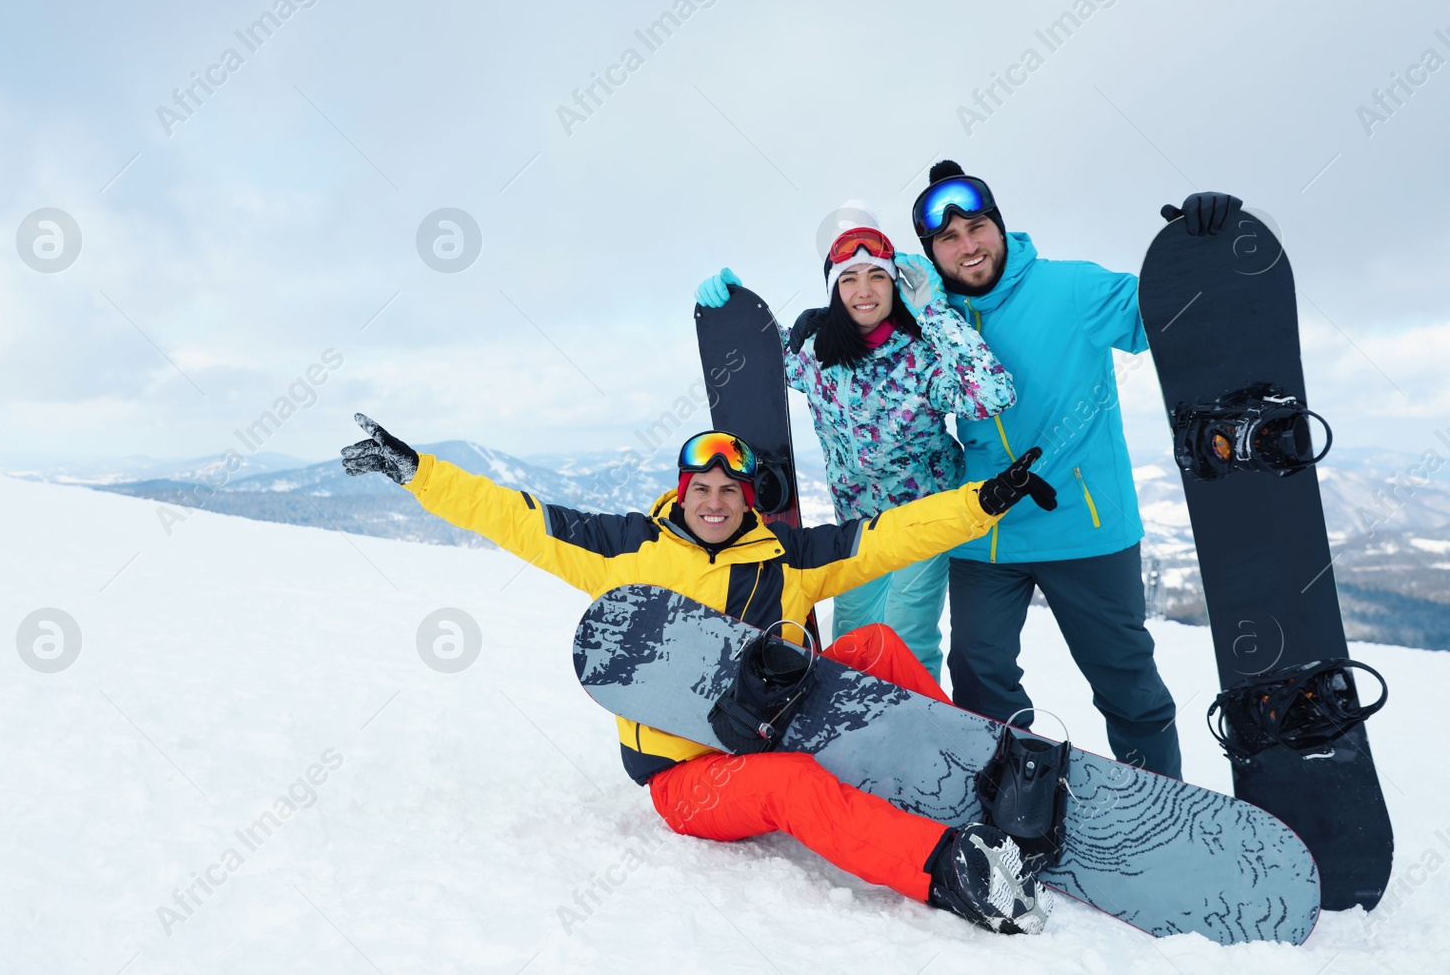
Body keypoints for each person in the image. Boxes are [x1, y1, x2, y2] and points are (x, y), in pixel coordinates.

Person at [342, 418, 1057, 933]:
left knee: (871, 641)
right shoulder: (622, 548)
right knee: (792, 785)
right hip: (690, 781)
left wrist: (981, 502)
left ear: (749, 497)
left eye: (729, 489)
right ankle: (951, 871)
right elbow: (515, 517)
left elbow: (890, 535)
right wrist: (418, 472)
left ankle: (980, 767)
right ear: (682, 490)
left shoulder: (787, 556)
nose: (714, 501)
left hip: (780, 724)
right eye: (702, 486)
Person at [900, 159, 1241, 780]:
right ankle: (1009, 801)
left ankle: (1158, 805)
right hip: (986, 533)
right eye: (947, 239)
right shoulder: (929, 317)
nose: (967, 247)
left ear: (1000, 228)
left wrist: (1209, 244)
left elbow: (1170, 314)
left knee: (1125, 681)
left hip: (1085, 529)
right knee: (979, 678)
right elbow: (859, 328)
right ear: (932, 254)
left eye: (976, 228)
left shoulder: (1072, 289)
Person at [694, 217, 1015, 682]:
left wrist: (933, 312)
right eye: (849, 279)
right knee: (850, 643)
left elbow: (993, 394)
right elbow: (761, 356)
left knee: (905, 641)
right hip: (856, 530)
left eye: (877, 276)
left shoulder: (920, 356)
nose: (864, 290)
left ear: (895, 286)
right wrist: (735, 307)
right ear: (834, 290)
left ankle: (916, 739)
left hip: (923, 522)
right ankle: (844, 735)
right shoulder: (818, 356)